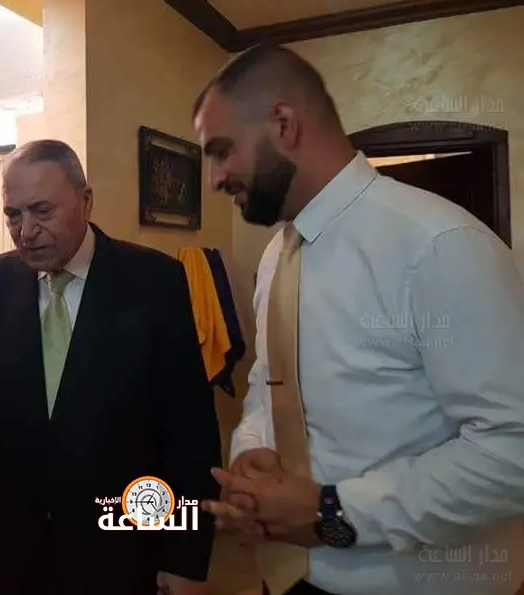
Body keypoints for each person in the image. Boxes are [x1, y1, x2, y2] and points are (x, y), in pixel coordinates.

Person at [194, 44, 524, 595]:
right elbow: (269, 380)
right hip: (290, 577)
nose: (213, 178)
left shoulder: (439, 245)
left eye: (221, 151)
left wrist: (335, 513)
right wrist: (253, 446)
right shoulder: (277, 255)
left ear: (283, 124)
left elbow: (512, 448)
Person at [0, 139, 222, 595]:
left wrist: (184, 558)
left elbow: (189, 432)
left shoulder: (153, 281)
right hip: (11, 549)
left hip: (118, 547)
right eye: (14, 215)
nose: (26, 231)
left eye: (42, 211)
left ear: (85, 200)